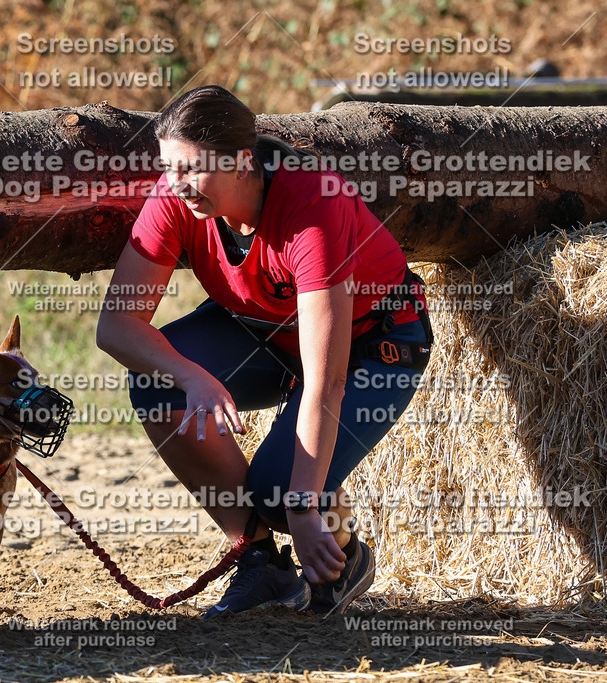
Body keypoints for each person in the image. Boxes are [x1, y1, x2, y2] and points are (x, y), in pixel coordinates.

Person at [96, 85, 432, 617]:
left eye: (191, 169)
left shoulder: (312, 204)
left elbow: (328, 378)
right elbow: (116, 326)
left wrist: (300, 506)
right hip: (266, 332)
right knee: (155, 381)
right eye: (169, 169)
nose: (176, 186)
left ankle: (343, 552)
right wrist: (192, 377)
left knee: (280, 493)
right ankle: (261, 564)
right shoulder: (175, 197)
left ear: (241, 161)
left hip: (375, 343)